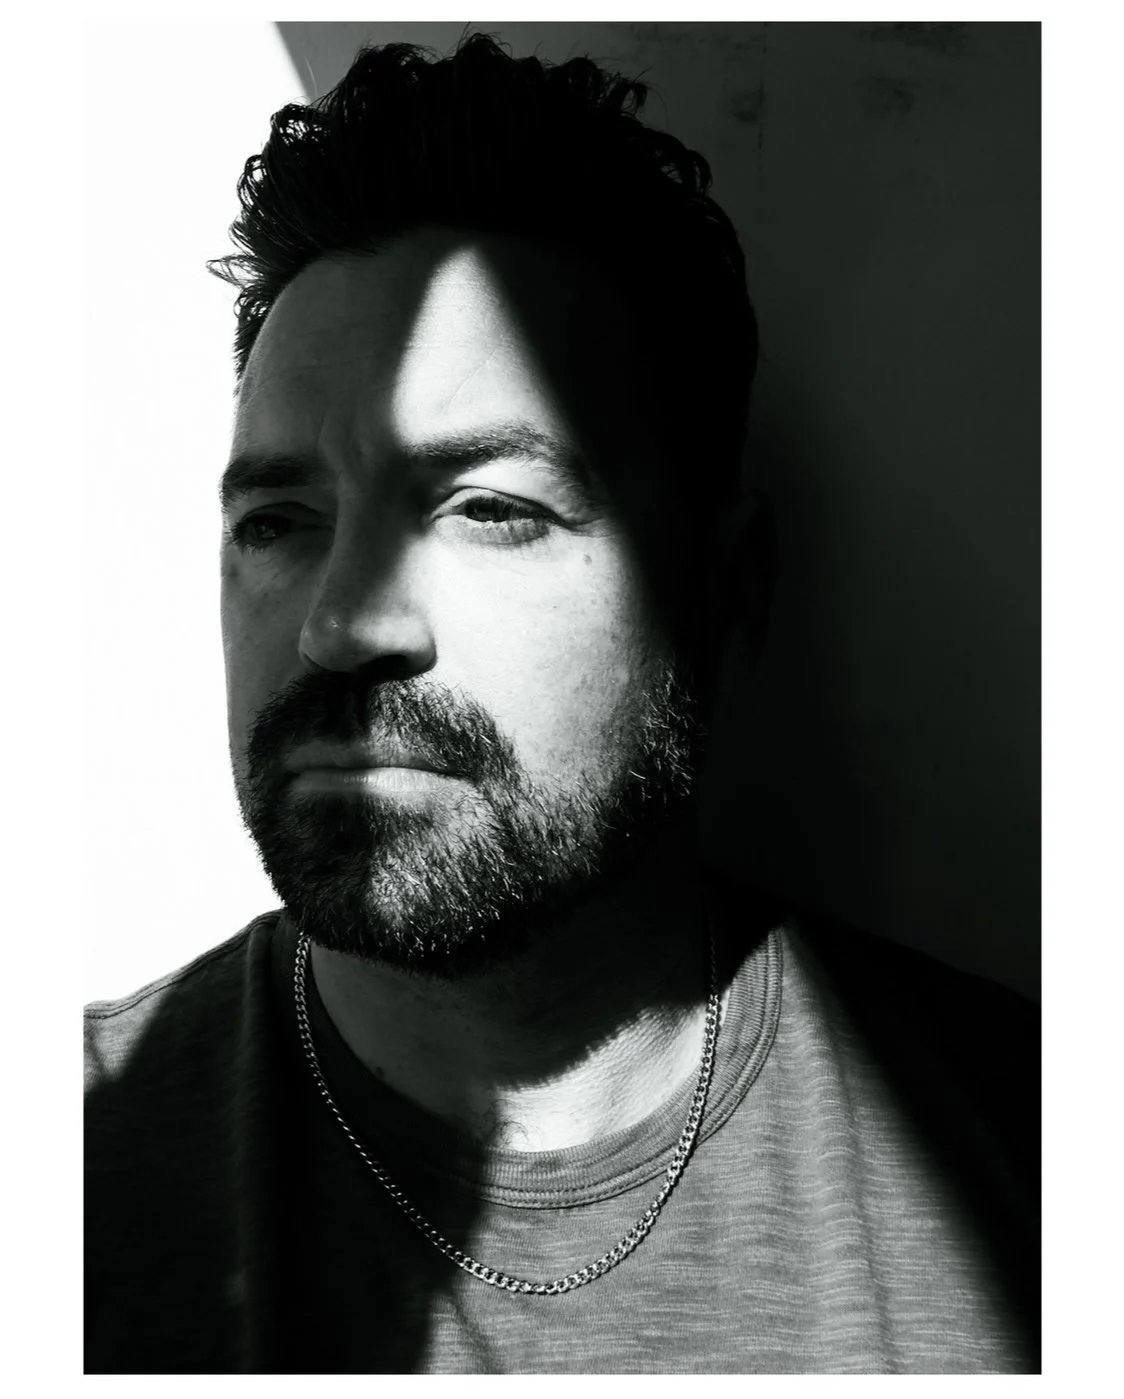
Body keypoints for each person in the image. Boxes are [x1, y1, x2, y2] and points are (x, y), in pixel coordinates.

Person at [83, 34, 1039, 1374]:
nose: (342, 623)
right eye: (279, 520)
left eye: (491, 508)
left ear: (727, 593)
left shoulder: (1043, 1167)